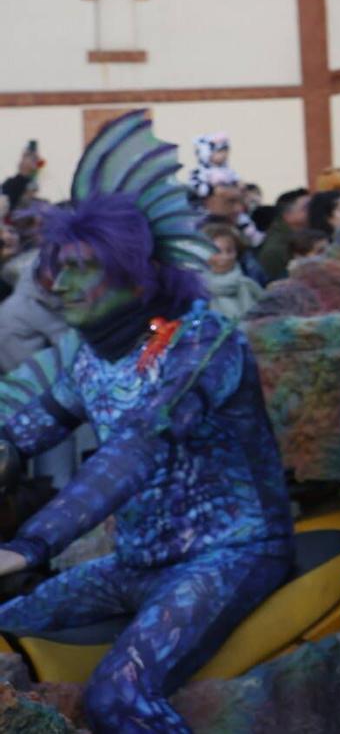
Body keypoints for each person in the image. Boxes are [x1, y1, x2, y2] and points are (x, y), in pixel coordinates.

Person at [0, 113, 292, 731]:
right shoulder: (93, 356)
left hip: (227, 554)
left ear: (136, 272)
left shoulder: (201, 341)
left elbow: (136, 448)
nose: (61, 283)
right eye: (58, 266)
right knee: (9, 629)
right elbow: (21, 433)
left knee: (119, 696)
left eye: (84, 267)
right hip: (135, 561)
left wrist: (28, 546)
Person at [199, 221, 263, 322]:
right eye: (216, 251)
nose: (225, 257)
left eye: (229, 251)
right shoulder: (191, 291)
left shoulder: (250, 287)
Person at [256, 189, 310, 281]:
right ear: (287, 215)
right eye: (306, 208)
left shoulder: (305, 235)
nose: (313, 211)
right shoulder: (275, 249)